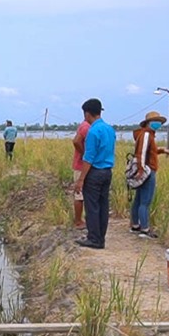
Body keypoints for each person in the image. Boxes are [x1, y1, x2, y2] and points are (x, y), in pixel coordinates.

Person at [73, 98, 116, 249]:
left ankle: (93, 239)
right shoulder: (110, 129)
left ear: (87, 113)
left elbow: (89, 157)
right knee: (103, 206)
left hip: (95, 172)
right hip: (107, 172)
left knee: (92, 206)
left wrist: (81, 180)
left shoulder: (93, 131)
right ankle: (100, 238)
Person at [130, 110, 169, 239]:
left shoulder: (143, 134)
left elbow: (148, 151)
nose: (158, 124)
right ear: (149, 123)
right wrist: (141, 170)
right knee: (145, 201)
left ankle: (135, 225)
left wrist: (161, 150)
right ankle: (145, 229)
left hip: (144, 169)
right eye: (156, 121)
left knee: (138, 200)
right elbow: (141, 153)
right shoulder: (147, 134)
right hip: (147, 170)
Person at [70, 118, 90, 228]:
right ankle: (78, 221)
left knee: (82, 194)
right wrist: (85, 155)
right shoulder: (86, 126)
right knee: (79, 195)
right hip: (81, 166)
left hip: (82, 165)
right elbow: (76, 141)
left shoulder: (85, 126)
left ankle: (81, 220)